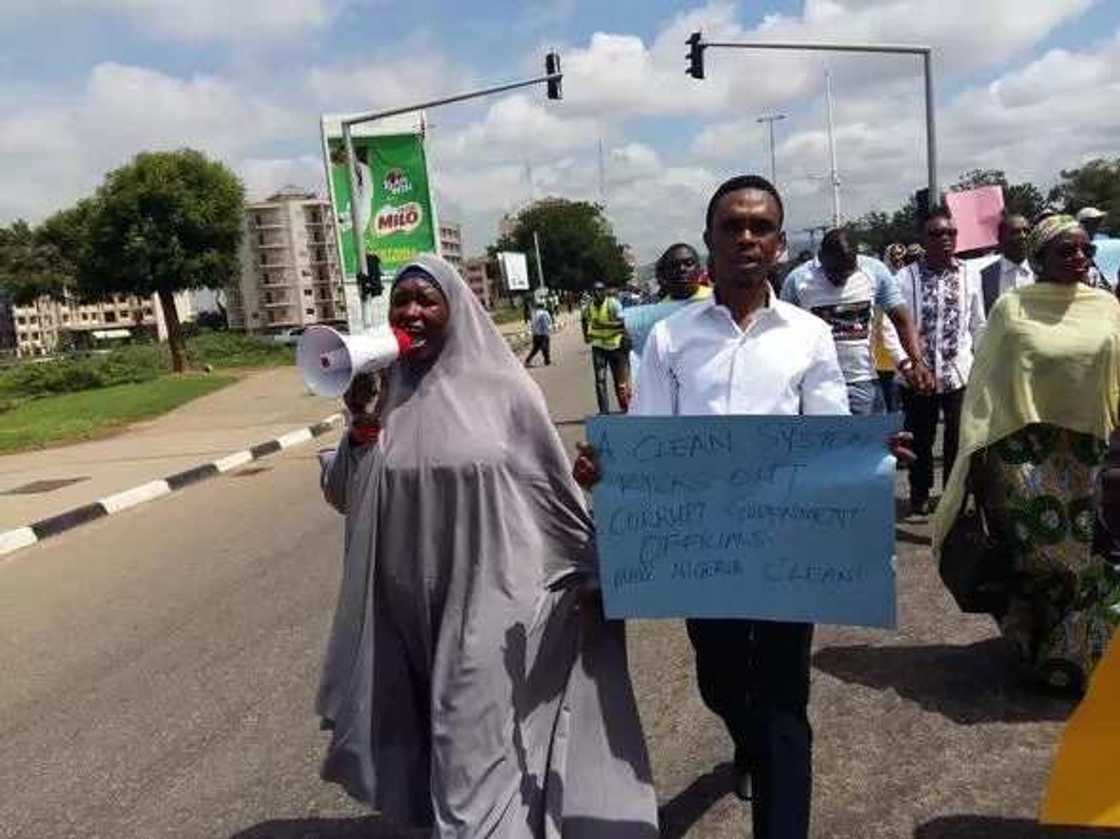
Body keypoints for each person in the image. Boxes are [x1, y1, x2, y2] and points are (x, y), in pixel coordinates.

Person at [573, 175, 913, 839]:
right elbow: (649, 435)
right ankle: (748, 743)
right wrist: (609, 465)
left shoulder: (809, 335)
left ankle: (778, 795)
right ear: (710, 242)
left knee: (786, 701)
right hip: (705, 552)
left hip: (788, 548)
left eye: (761, 227)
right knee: (722, 683)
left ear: (781, 244)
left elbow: (828, 427)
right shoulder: (670, 339)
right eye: (733, 226)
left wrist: (864, 455)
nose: (747, 238)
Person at [317, 254, 658, 838]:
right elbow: (347, 496)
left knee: (464, 734)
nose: (413, 312)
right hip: (406, 606)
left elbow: (552, 490)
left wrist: (597, 568)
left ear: (457, 309)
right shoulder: (384, 395)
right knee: (429, 732)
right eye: (402, 301)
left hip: (493, 597)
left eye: (427, 299)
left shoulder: (508, 391)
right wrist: (363, 426)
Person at [934, 215, 1120, 695]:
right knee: (1045, 555)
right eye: (1065, 250)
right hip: (1022, 447)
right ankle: (1034, 633)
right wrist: (976, 452)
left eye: (1084, 250)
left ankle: (1060, 650)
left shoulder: (1105, 306)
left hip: (1085, 449)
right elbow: (988, 381)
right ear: (1039, 259)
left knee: (1082, 554)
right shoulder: (1013, 309)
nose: (1079, 258)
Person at [895, 208, 987, 516]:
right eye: (936, 234)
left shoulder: (969, 274)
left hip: (958, 373)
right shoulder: (905, 277)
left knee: (958, 438)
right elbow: (888, 326)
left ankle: (952, 497)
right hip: (918, 376)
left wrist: (983, 365)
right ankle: (920, 492)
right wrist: (909, 365)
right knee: (921, 440)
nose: (945, 239)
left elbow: (978, 324)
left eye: (951, 233)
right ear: (923, 238)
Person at [781, 228, 933, 414]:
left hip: (864, 383)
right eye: (834, 271)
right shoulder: (798, 281)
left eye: (847, 272)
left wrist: (917, 362)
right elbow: (783, 334)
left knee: (872, 441)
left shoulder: (874, 271)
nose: (840, 279)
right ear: (820, 257)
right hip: (818, 385)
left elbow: (901, 319)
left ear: (856, 257)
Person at [583, 282, 631, 414]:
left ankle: (625, 406)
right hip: (598, 348)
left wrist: (603, 325)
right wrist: (585, 335)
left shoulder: (613, 304)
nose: (597, 294)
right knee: (600, 380)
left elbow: (623, 324)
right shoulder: (589, 307)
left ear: (604, 292)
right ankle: (604, 411)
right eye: (594, 292)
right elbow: (584, 319)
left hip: (616, 346)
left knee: (619, 381)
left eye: (599, 291)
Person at [979, 213, 1035, 315]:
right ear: (1000, 238)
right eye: (1015, 232)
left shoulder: (1041, 272)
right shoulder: (985, 276)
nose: (1023, 236)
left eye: (1027, 231)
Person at [525, 301, 553, 366]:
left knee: (535, 349)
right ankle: (547, 360)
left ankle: (528, 360)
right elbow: (547, 322)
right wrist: (548, 330)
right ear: (544, 306)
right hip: (543, 333)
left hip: (535, 334)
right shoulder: (545, 313)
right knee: (545, 347)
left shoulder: (534, 313)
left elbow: (531, 324)